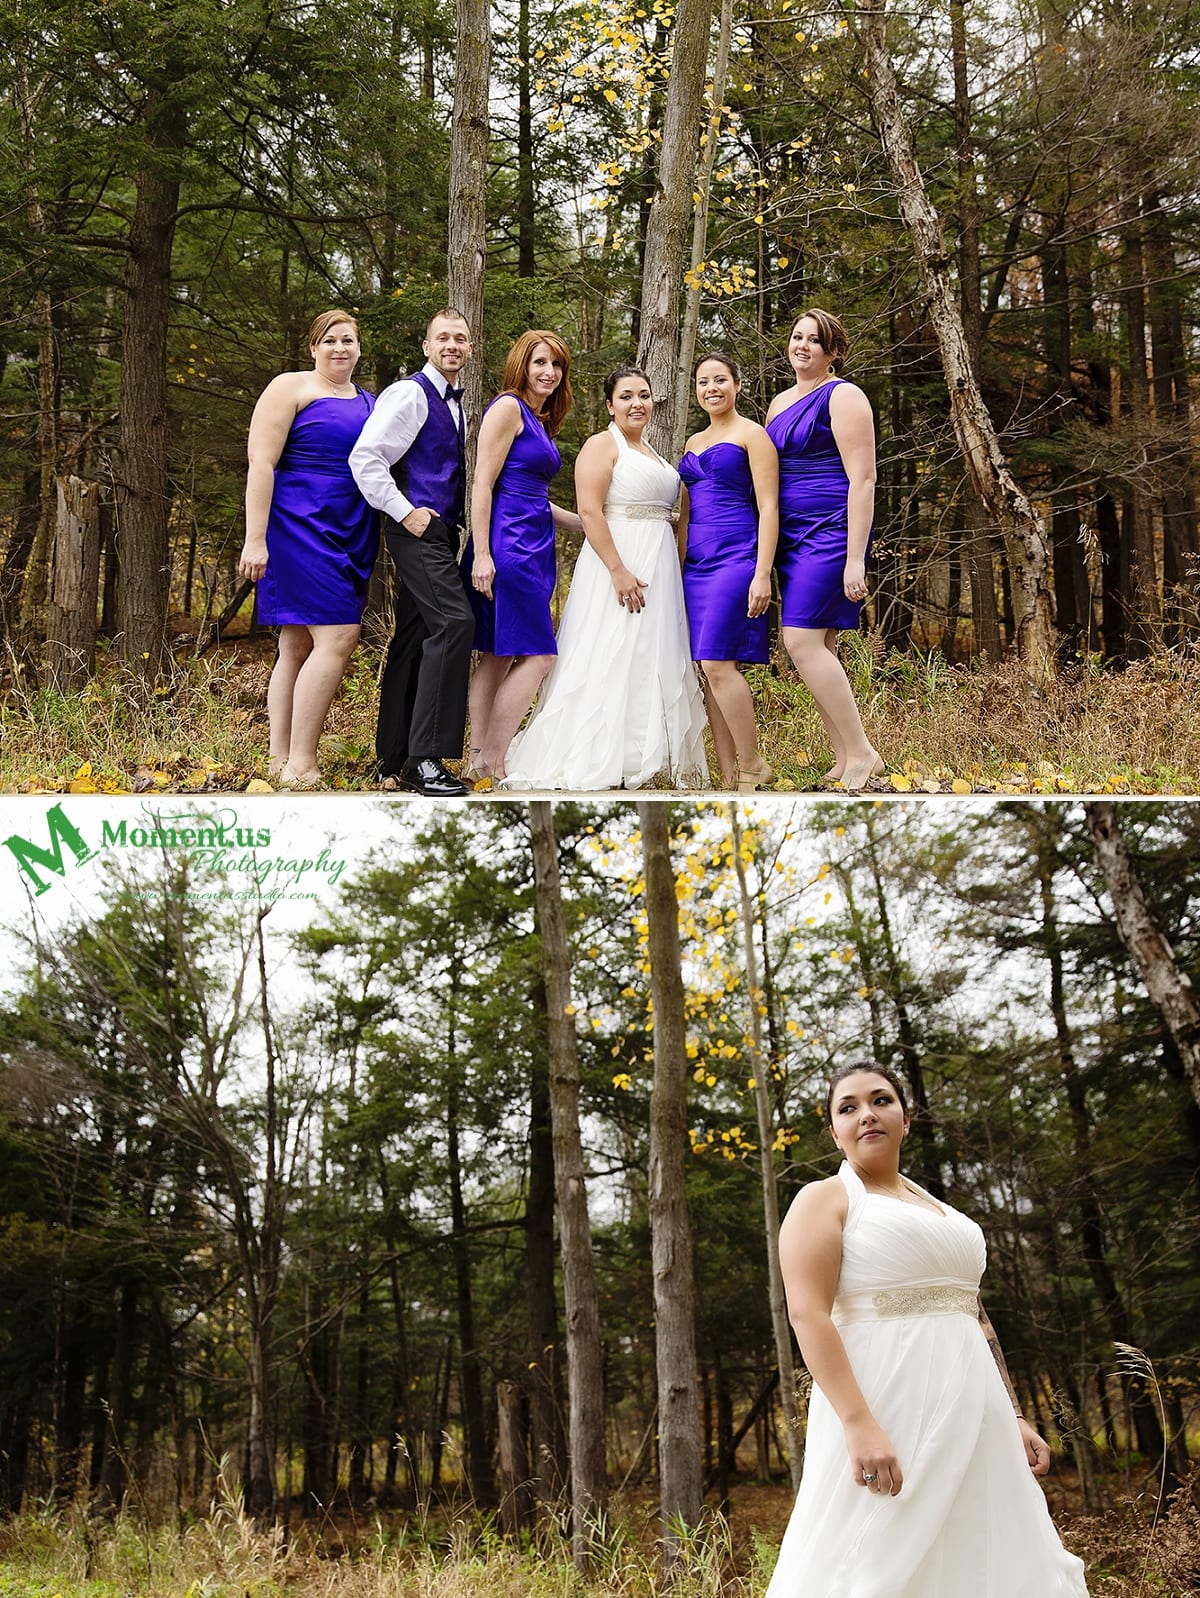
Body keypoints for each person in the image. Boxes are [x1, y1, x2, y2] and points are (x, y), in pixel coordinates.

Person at [766, 1062, 1090, 1597]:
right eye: (848, 1108)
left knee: (980, 1547)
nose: (866, 1114)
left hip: (975, 1409)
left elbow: (974, 1315)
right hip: (882, 1404)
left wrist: (1011, 1413)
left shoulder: (940, 1210)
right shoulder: (824, 1199)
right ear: (834, 1131)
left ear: (905, 1119)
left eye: (881, 1100)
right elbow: (808, 1313)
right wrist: (858, 1423)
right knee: (871, 1555)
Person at [501, 367, 708, 791]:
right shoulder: (602, 445)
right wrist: (617, 569)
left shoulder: (652, 451)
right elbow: (591, 510)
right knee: (609, 650)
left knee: (650, 651)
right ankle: (596, 755)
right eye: (627, 396)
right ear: (610, 405)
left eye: (645, 395)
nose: (637, 403)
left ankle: (647, 755)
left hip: (658, 562)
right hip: (618, 560)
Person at [238, 309, 377, 790]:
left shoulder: (369, 401)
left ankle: (278, 760)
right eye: (330, 340)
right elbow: (261, 463)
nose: (340, 348)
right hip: (299, 523)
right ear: (313, 347)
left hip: (352, 524)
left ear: (360, 348)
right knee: (338, 637)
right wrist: (255, 538)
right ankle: (302, 763)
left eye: (349, 341)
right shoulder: (290, 387)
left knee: (295, 642)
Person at [348, 308, 476, 797]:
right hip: (416, 530)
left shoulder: (456, 403)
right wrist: (406, 513)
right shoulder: (409, 393)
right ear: (426, 346)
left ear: (468, 348)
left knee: (413, 636)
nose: (451, 346)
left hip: (440, 533)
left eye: (460, 339)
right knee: (454, 623)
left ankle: (393, 756)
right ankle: (426, 759)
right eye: (442, 338)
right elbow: (366, 457)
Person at [766, 309, 883, 792]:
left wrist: (855, 557)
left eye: (815, 340)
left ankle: (862, 752)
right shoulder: (777, 403)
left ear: (832, 352)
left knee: (800, 641)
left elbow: (864, 478)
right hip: (791, 536)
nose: (803, 346)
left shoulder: (845, 396)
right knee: (822, 645)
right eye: (797, 337)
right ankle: (841, 757)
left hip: (832, 530)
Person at [463, 330, 583, 781]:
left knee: (497, 653)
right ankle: (493, 757)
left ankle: (478, 760)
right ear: (522, 366)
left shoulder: (538, 419)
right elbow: (483, 484)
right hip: (507, 544)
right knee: (540, 655)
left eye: (556, 365)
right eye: (540, 363)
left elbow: (534, 497)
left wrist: (588, 523)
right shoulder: (508, 408)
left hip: (534, 541)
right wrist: (481, 554)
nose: (549, 373)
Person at [677, 353, 778, 791]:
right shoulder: (692, 442)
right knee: (709, 668)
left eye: (720, 380)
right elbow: (683, 511)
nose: (711, 388)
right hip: (693, 565)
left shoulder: (753, 435)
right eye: (703, 382)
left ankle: (754, 763)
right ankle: (730, 774)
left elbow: (770, 506)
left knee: (719, 663)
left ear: (737, 384)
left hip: (736, 556)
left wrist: (762, 572)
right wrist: (674, 566)